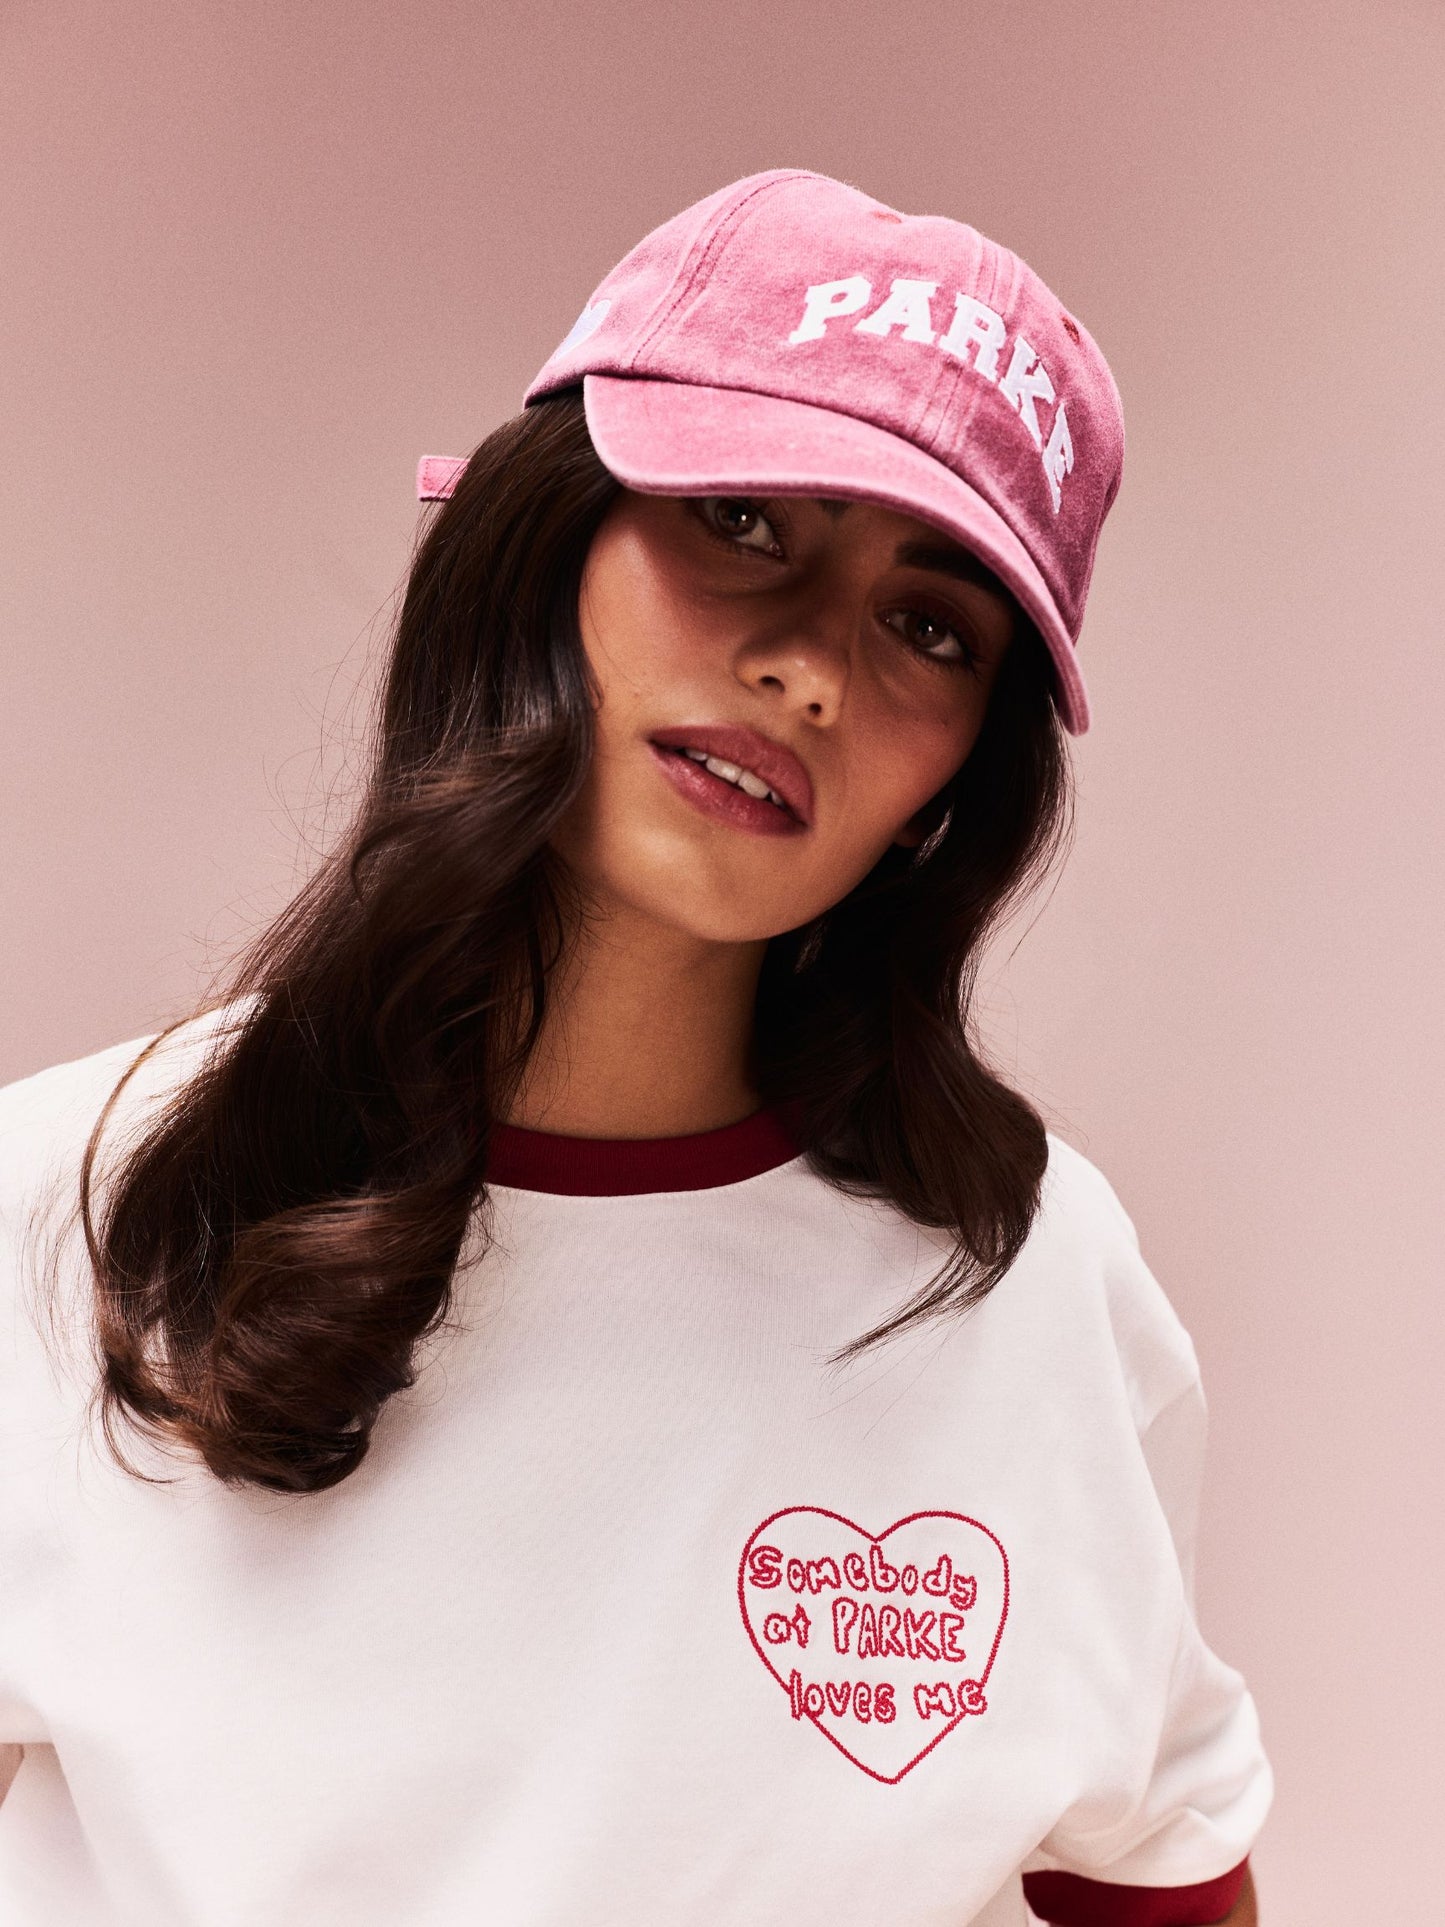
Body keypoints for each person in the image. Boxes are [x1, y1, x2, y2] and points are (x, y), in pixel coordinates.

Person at [0, 170, 1270, 1925]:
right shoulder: (66, 1204)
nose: (811, 670)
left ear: (951, 788)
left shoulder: (1036, 1278)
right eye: (742, 517)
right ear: (541, 549)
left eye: (927, 625)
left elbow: (1164, 1860)